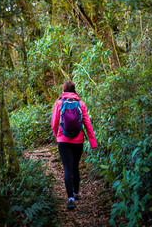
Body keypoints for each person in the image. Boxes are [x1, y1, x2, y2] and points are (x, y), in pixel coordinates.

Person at [51, 80, 97, 210]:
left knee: (67, 168)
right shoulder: (81, 104)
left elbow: (54, 123)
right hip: (78, 140)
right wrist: (93, 142)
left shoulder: (59, 103)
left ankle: (70, 198)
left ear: (63, 90)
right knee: (75, 166)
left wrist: (58, 136)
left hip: (63, 140)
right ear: (74, 90)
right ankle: (76, 193)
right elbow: (87, 123)